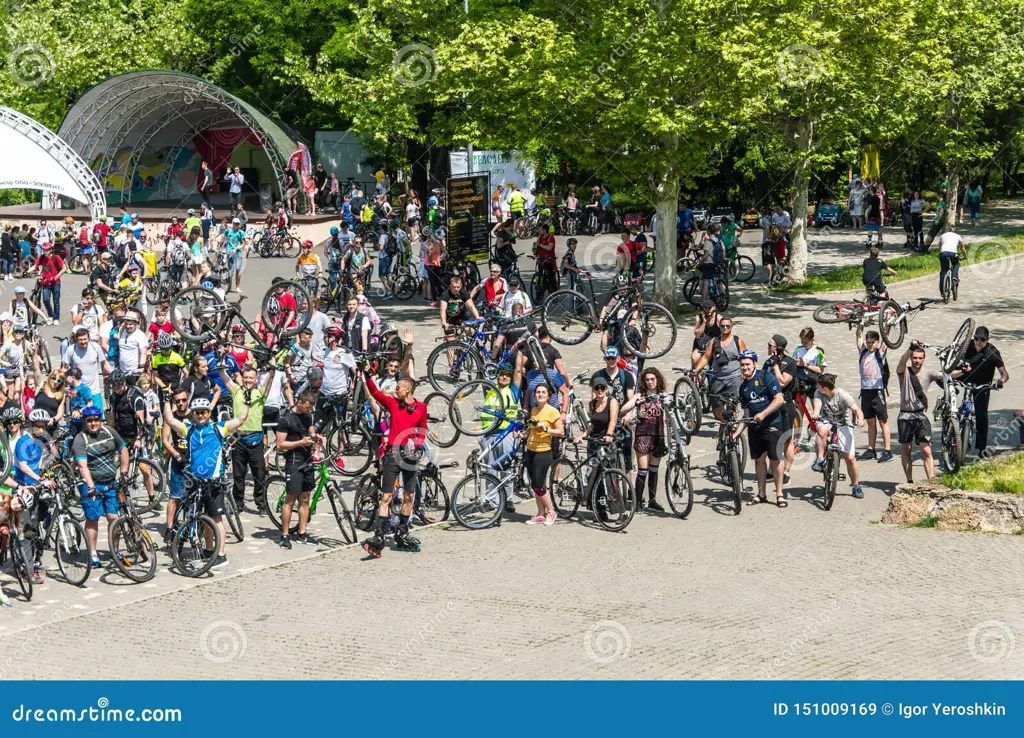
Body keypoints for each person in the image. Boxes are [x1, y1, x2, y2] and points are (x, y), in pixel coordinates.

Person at [162, 396, 248, 570]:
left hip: (214, 482)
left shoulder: (219, 428)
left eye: (203, 412)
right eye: (197, 412)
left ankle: (221, 556)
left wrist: (246, 399)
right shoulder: (188, 429)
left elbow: (241, 420)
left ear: (209, 413)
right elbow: (170, 419)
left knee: (216, 519)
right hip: (195, 481)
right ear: (192, 414)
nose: (200, 415)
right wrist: (166, 399)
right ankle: (210, 550)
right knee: (204, 519)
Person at [359, 364, 429, 556]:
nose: (395, 389)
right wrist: (366, 373)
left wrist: (417, 443)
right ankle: (380, 534)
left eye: (398, 387)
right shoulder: (391, 403)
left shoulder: (421, 407)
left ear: (408, 389)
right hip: (392, 453)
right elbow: (375, 392)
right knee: (386, 496)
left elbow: (422, 430)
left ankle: (402, 532)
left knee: (409, 496)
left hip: (410, 455)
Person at [73, 405, 130, 567]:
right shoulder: (80, 439)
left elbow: (123, 450)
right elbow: (82, 466)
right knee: (93, 518)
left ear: (101, 420)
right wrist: (90, 486)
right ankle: (92, 553)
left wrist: (124, 472)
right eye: (89, 420)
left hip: (111, 483)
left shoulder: (110, 432)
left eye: (96, 420)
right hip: (91, 485)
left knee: (114, 518)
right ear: (85, 422)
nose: (93, 423)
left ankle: (115, 549)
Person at [220, 363, 276, 513]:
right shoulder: (236, 390)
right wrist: (221, 361)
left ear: (256, 378)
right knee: (239, 475)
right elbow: (224, 377)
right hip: (239, 439)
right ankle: (238, 503)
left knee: (259, 474)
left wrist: (272, 368)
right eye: (246, 377)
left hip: (256, 439)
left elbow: (269, 379)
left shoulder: (260, 393)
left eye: (251, 378)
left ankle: (261, 503)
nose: (248, 380)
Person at [735, 350, 786, 507]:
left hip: (772, 424)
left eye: (748, 364)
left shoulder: (766, 377)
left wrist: (763, 414)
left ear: (754, 364)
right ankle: (761, 493)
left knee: (776, 460)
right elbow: (746, 413)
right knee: (759, 460)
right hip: (754, 428)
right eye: (742, 365)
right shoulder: (743, 387)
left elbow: (779, 399)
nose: (745, 368)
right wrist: (737, 432)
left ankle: (779, 494)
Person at [274, 390, 323, 548]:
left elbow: (310, 430)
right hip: (294, 461)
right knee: (290, 500)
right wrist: (300, 442)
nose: (308, 411)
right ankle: (285, 534)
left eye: (310, 409)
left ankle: (302, 533)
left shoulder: (308, 415)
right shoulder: (285, 419)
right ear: (299, 402)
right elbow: (280, 444)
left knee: (306, 498)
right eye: (306, 407)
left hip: (307, 459)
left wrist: (315, 437)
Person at [956, 326, 1009, 458]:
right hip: (966, 378)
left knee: (981, 415)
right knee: (942, 378)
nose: (978, 342)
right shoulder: (968, 346)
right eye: (976, 339)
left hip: (982, 385)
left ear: (987, 340)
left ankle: (981, 448)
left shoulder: (992, 352)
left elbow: (1004, 374)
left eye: (982, 340)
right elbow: (955, 358)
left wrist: (1000, 382)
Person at [810, 373, 866, 498]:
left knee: (850, 458)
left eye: (818, 386)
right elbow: (817, 407)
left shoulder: (842, 395)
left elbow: (857, 410)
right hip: (826, 420)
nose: (817, 387)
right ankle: (819, 459)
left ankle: (856, 485)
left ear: (825, 388)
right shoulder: (818, 393)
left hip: (843, 423)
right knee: (822, 430)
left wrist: (860, 419)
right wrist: (815, 413)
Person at [896, 341, 941, 482]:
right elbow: (902, 360)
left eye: (920, 358)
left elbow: (946, 374)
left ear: (924, 358)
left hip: (921, 415)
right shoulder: (904, 372)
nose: (917, 361)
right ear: (911, 358)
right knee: (906, 450)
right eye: (915, 358)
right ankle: (909, 481)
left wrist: (963, 370)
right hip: (905, 415)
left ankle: (931, 480)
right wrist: (910, 349)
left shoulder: (928, 373)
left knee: (926, 450)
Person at [521, 383, 563, 526]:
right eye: (538, 392)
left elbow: (561, 432)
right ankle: (540, 513)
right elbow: (530, 430)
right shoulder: (534, 410)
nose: (540, 394)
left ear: (549, 396)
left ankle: (551, 511)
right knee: (534, 484)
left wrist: (547, 430)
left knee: (539, 484)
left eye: (543, 392)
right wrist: (522, 435)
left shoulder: (553, 411)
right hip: (530, 450)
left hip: (543, 451)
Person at [591, 346, 636, 474]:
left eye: (613, 358)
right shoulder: (598, 376)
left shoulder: (626, 375)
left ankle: (628, 479)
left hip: (622, 418)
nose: (611, 361)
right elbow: (593, 401)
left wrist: (629, 414)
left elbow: (630, 398)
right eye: (608, 358)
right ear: (604, 358)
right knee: (600, 453)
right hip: (605, 418)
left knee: (627, 447)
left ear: (617, 358)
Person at [693, 315, 746, 424]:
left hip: (734, 377)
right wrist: (696, 369)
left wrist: (745, 374)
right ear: (720, 327)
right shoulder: (714, 341)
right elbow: (706, 357)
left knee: (732, 403)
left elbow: (745, 358)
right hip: (718, 378)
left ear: (732, 327)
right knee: (716, 406)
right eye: (722, 326)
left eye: (727, 326)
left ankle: (729, 426)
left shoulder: (738, 341)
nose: (725, 328)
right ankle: (723, 420)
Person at [763, 334, 798, 484]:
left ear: (778, 348)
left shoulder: (790, 363)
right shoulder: (767, 362)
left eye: (770, 345)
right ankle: (772, 470)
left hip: (785, 404)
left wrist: (776, 365)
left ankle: (786, 472)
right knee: (772, 438)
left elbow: (783, 382)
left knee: (786, 439)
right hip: (770, 404)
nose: (768, 346)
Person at [856, 327, 894, 463]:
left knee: (883, 421)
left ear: (877, 342)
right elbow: (858, 337)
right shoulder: (863, 352)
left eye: (873, 342)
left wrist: (888, 325)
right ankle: (871, 450)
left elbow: (886, 339)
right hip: (865, 391)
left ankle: (888, 451)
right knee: (870, 422)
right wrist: (860, 323)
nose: (870, 344)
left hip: (878, 390)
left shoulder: (880, 353)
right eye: (869, 342)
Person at [633, 368, 667, 512]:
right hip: (643, 434)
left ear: (657, 380)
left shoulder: (663, 396)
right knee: (643, 470)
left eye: (653, 379)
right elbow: (628, 408)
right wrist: (636, 406)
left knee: (654, 470)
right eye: (647, 380)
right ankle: (637, 501)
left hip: (658, 435)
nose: (650, 382)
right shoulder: (640, 396)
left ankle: (652, 501)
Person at [26, 241, 66, 321]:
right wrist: (27, 271)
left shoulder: (56, 257)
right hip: (45, 282)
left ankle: (56, 318)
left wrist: (57, 276)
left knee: (56, 301)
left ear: (51, 250)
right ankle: (51, 315)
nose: (45, 252)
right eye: (44, 250)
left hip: (55, 282)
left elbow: (64, 268)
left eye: (47, 250)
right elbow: (35, 266)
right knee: (45, 300)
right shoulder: (41, 258)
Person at [937, 225, 967, 298]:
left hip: (943, 254)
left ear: (947, 230)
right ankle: (954, 278)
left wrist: (940, 253)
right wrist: (965, 256)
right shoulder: (958, 236)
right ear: (954, 230)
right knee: (956, 264)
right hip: (953, 254)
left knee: (943, 271)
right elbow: (962, 248)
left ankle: (942, 291)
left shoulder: (942, 236)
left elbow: (940, 246)